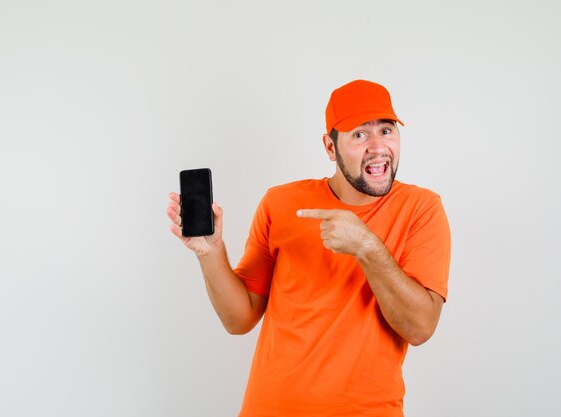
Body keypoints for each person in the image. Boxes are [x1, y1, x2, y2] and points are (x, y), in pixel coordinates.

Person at [166, 80, 451, 417]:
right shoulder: (281, 202)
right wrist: (210, 254)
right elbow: (239, 319)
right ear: (330, 149)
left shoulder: (422, 208)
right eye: (359, 135)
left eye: (386, 131)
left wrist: (367, 248)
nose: (377, 146)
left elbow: (420, 328)